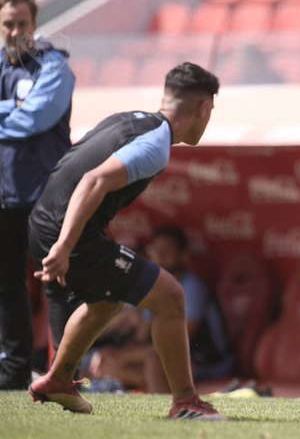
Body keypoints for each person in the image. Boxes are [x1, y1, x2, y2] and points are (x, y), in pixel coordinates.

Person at [27, 62, 224, 420]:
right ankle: (186, 402)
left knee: (107, 301)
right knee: (170, 295)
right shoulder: (155, 144)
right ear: (203, 108)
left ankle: (58, 379)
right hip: (66, 231)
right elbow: (92, 181)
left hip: (43, 220)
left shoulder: (129, 119)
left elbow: (71, 163)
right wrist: (65, 244)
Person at [0, 0, 75, 390]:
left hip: (45, 198)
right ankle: (13, 374)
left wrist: (10, 112)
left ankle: (65, 375)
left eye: (22, 24)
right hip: (3, 199)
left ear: (35, 23)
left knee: (58, 284)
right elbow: (21, 116)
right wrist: (11, 107)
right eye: (8, 24)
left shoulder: (54, 65)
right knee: (7, 287)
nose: (15, 32)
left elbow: (37, 118)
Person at [89, 226, 234, 393]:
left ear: (183, 256)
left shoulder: (193, 287)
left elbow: (178, 343)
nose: (159, 256)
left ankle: (169, 413)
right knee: (109, 363)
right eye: (155, 251)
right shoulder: (155, 287)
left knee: (152, 361)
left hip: (206, 361)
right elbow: (141, 338)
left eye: (166, 251)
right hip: (166, 356)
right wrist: (114, 353)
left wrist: (125, 355)